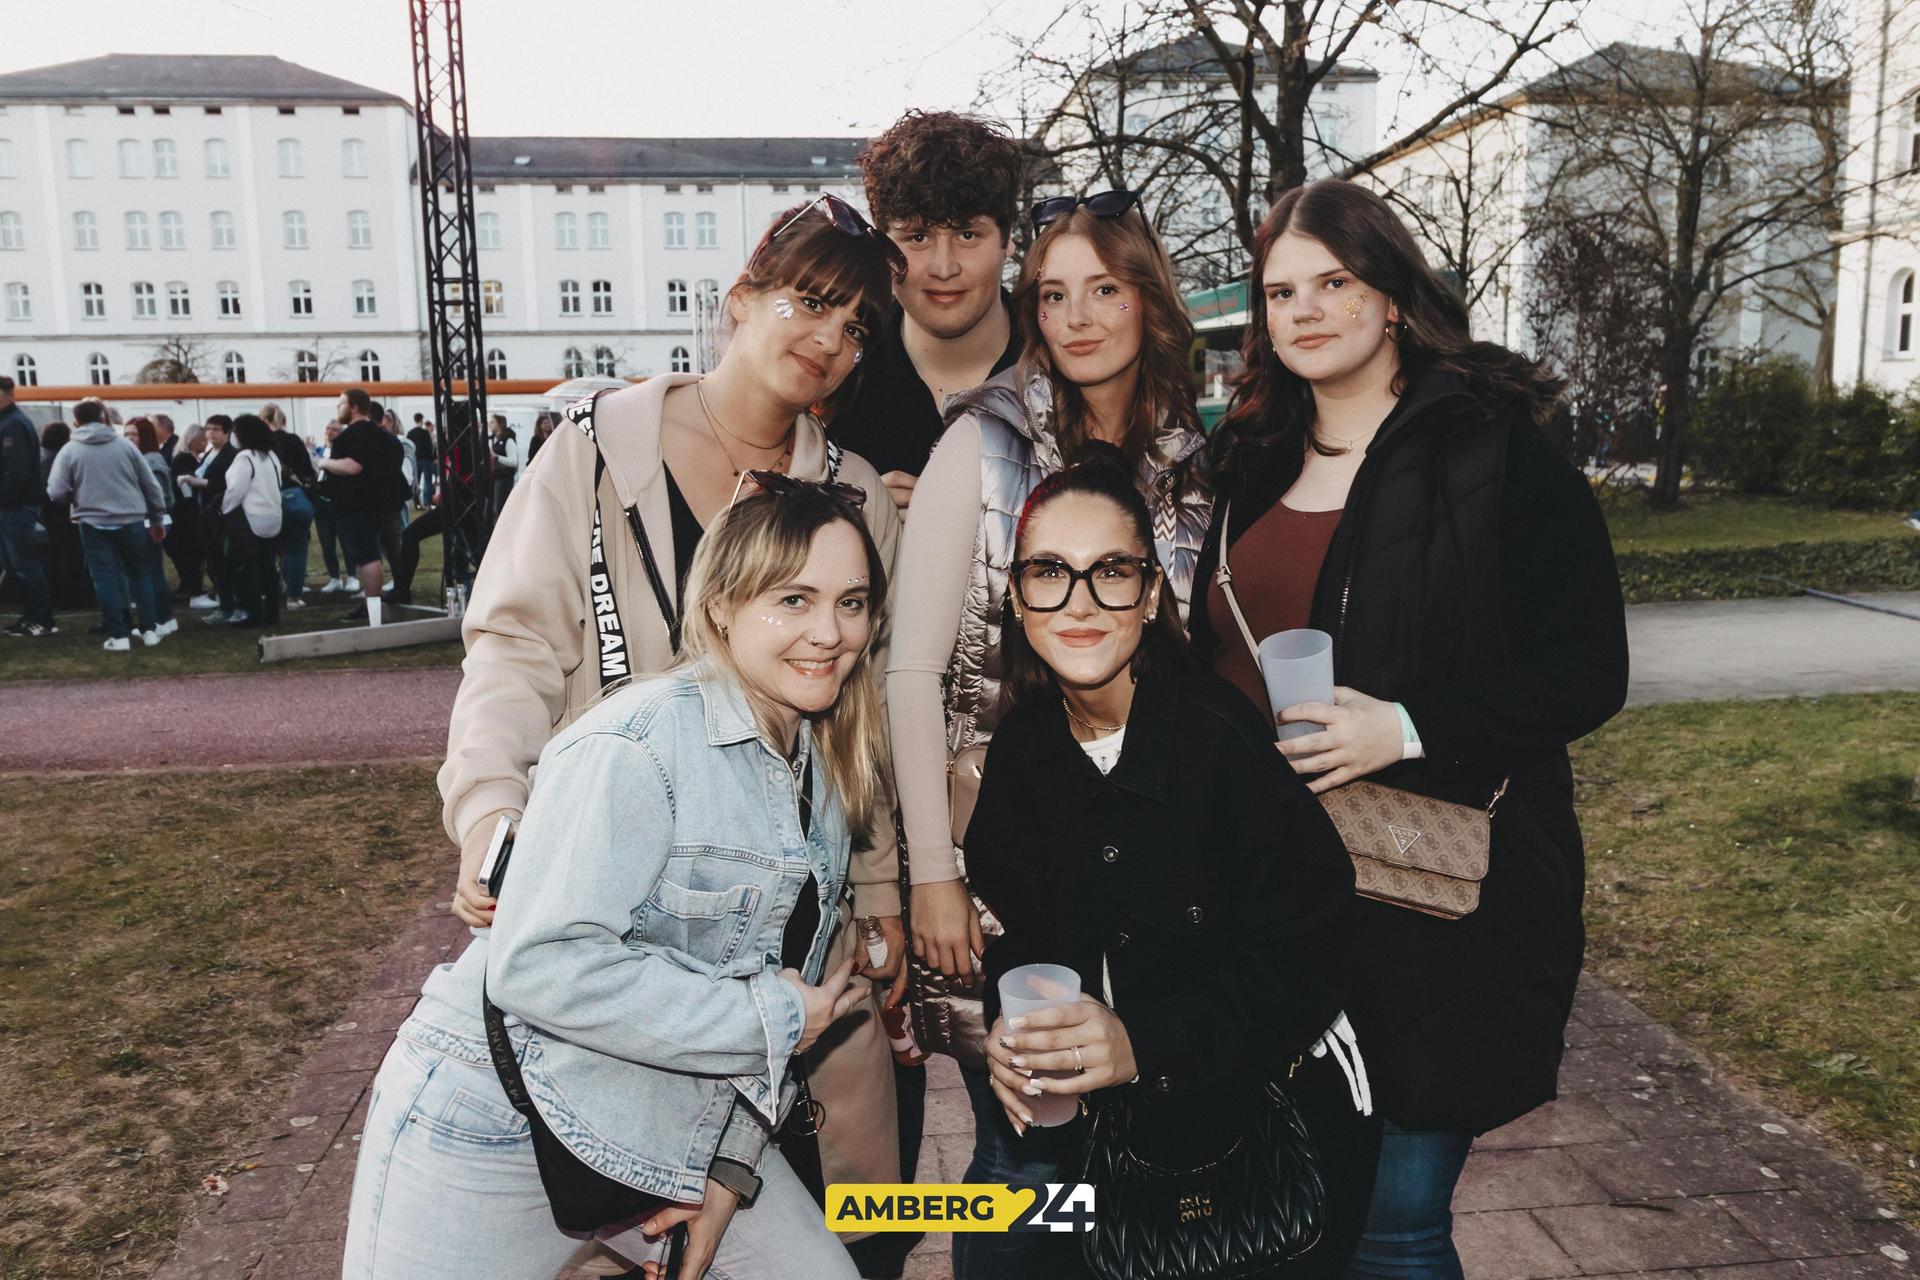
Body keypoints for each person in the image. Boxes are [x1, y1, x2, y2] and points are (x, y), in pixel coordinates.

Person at [437, 197, 910, 1273]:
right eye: (810, 302)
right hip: (618, 911)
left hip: (781, 916)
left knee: (848, 1214)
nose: (829, 341)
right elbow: (514, 649)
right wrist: (493, 815)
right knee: (623, 1223)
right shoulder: (597, 454)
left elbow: (862, 718)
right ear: (740, 299)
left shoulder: (852, 497)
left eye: (856, 327)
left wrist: (877, 896)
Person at [1187, 178, 1630, 1277]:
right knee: (1287, 1214)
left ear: (1390, 291)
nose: (1303, 309)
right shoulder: (1249, 465)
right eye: (1280, 291)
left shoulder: (1495, 452)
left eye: (1332, 280)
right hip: (1271, 896)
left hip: (1429, 904)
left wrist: (1410, 723)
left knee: (1394, 1224)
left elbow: (1590, 666)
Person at [344, 485, 889, 1280]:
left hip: (654, 1118)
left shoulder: (825, 775)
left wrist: (729, 1178)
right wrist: (770, 1017)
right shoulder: (637, 746)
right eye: (793, 599)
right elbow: (535, 965)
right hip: (487, 1120)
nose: (829, 632)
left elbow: (773, 1037)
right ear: (722, 607)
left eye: (853, 602)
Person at [884, 188, 1212, 1280]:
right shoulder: (981, 442)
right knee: (1021, 1153)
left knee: (1137, 1146)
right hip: (1003, 864)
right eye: (1054, 294)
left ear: (1147, 301)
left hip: (1153, 859)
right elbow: (914, 669)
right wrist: (930, 870)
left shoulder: (1191, 457)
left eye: (1103, 290)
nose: (1076, 318)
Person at [966, 450, 1380, 1278]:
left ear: (1151, 593)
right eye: (1050, 572)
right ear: (1015, 596)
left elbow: (1315, 953)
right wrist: (1008, 1035)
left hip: (1261, 1138)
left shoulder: (1218, 740)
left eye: (1111, 572)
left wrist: (1142, 1043)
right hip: (1112, 1152)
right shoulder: (1020, 750)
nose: (1080, 603)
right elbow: (1019, 933)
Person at [829, 110, 1027, 510]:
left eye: (968, 235)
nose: (943, 267)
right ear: (883, 245)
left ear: (1007, 240)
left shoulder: (1065, 373)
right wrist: (850, 525)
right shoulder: (837, 380)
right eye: (917, 237)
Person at [45, 398, 170, 650]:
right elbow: (150, 485)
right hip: (131, 517)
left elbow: (56, 491)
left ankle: (119, 634)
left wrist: (76, 499)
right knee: (139, 572)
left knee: (105, 578)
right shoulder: (125, 446)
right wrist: (156, 517)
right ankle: (149, 629)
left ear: (76, 422)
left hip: (92, 521)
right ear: (104, 419)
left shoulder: (70, 450)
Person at [318, 389, 408, 623]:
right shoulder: (387, 438)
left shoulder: (352, 437)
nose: (338, 408)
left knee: (368, 558)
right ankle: (379, 605)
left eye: (341, 404)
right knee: (379, 554)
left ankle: (373, 612)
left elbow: (353, 466)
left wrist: (324, 462)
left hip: (356, 506)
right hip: (384, 505)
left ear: (354, 407)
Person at [0, 374, 54, 637]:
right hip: (15, 505)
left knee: (24, 564)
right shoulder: (11, 422)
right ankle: (32, 615)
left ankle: (41, 618)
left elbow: (15, 470)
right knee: (19, 565)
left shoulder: (12, 425)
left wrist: (5, 499)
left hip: (16, 507)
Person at [220, 414, 286, 627]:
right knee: (269, 568)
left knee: (250, 568)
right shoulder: (271, 455)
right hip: (273, 517)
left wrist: (224, 510)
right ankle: (272, 612)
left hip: (252, 519)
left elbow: (236, 491)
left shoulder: (244, 458)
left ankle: (254, 612)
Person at [261, 403, 319, 610]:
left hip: (267, 500)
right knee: (296, 550)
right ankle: (293, 597)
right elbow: (308, 471)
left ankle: (270, 591)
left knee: (267, 550)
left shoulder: (260, 445)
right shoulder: (293, 440)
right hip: (294, 498)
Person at [182, 415, 238, 618]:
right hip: (205, 512)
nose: (211, 433)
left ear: (227, 432)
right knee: (213, 562)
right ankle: (226, 602)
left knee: (221, 562)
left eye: (216, 429)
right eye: (208, 429)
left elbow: (227, 484)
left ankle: (229, 605)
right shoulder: (209, 453)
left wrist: (200, 483)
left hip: (220, 513)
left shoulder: (232, 455)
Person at [126, 417, 177, 633]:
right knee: (150, 570)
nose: (128, 438)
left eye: (134, 434)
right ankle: (161, 618)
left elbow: (162, 497)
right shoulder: (142, 458)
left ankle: (162, 618)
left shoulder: (152, 460)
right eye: (126, 434)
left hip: (153, 520)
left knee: (151, 571)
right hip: (147, 519)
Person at [38, 421, 89, 612]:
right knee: (70, 555)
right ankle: (70, 597)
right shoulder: (60, 459)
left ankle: (58, 595)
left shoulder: (45, 460)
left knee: (58, 555)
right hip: (63, 514)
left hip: (51, 515)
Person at [164, 423, 207, 603]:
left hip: (184, 513)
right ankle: (191, 586)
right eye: (203, 439)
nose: (206, 443)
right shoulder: (185, 459)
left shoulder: (184, 458)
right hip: (186, 514)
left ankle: (189, 585)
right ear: (192, 440)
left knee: (187, 551)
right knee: (189, 551)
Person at [314, 420, 349, 593]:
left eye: (334, 429)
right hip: (322, 502)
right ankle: (334, 577)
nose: (330, 431)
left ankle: (352, 576)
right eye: (328, 428)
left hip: (340, 501)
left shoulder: (343, 452)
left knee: (346, 541)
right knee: (327, 543)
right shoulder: (319, 451)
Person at [488, 414, 522, 512]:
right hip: (496, 477)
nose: (490, 424)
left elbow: (514, 461)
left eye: (493, 422)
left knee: (500, 507)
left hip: (504, 478)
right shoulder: (496, 440)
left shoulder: (508, 440)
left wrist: (497, 457)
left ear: (500, 424)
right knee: (495, 507)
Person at [408, 413, 438, 507]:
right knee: (428, 481)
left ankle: (416, 502)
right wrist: (433, 458)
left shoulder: (410, 433)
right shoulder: (425, 433)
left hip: (415, 460)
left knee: (416, 482)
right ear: (421, 420)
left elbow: (409, 447)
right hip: (426, 460)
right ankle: (426, 501)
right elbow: (429, 447)